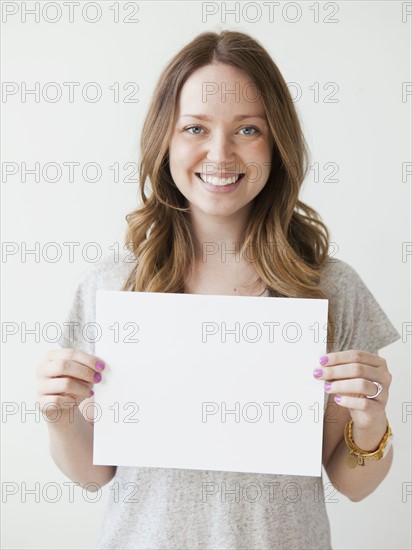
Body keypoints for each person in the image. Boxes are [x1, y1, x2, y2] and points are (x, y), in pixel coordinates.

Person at [36, 31, 400, 549]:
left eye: (248, 128)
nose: (220, 153)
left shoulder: (329, 288)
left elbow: (351, 482)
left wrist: (372, 420)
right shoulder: (114, 287)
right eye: (195, 128)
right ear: (166, 140)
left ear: (277, 143)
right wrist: (59, 418)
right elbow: (95, 474)